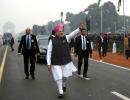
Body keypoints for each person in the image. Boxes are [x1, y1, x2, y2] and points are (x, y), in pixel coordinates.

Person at [47, 22, 85, 98]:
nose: (61, 32)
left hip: (65, 61)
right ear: (56, 32)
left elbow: (72, 34)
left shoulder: (66, 37)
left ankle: (64, 85)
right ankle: (60, 91)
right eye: (60, 31)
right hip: (56, 62)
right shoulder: (52, 40)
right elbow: (49, 52)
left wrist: (79, 29)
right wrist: (49, 63)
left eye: (62, 31)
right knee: (59, 76)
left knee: (65, 77)